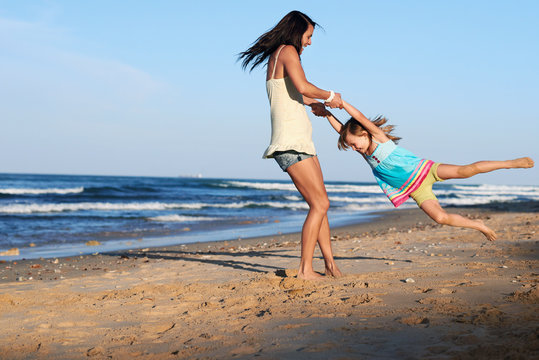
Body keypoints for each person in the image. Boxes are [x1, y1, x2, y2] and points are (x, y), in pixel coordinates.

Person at [313, 100, 534, 241]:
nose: (354, 148)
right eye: (351, 145)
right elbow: (342, 130)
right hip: (415, 190)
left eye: (355, 143)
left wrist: (341, 105)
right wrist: (326, 115)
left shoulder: (379, 138)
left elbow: (358, 118)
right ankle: (477, 225)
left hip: (426, 171)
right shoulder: (365, 152)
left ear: (365, 133)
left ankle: (511, 163)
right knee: (440, 217)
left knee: (468, 170)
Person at [238, 10, 343, 279]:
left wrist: (316, 104)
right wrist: (331, 95)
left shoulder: (278, 57)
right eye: (308, 36)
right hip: (291, 142)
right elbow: (303, 86)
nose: (309, 42)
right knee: (320, 205)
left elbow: (294, 94)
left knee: (321, 204)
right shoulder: (287, 52)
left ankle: (330, 265)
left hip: (299, 141)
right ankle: (305, 270)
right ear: (297, 33)